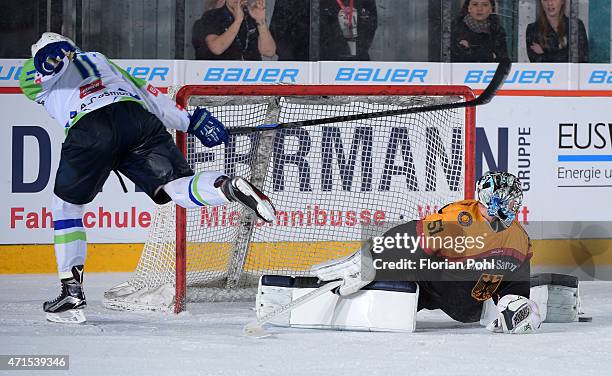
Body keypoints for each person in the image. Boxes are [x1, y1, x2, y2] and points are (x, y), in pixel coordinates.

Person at [19, 32, 277, 324]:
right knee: (174, 187)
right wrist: (190, 121)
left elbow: (38, 68)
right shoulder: (102, 61)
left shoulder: (36, 74)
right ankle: (226, 187)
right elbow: (150, 97)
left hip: (90, 129)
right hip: (137, 119)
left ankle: (71, 293)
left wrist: (54, 53)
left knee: (65, 206)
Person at [308, 171, 542, 333]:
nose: (515, 206)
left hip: (467, 306)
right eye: (511, 201)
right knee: (395, 278)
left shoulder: (520, 239)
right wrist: (372, 258)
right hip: (429, 285)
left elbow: (516, 287)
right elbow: (412, 235)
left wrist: (515, 306)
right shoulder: (459, 221)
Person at [192, 0, 276, 60]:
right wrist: (238, 20)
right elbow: (217, 48)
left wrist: (260, 21)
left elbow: (269, 52)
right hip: (222, 77)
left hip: (250, 76)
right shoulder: (212, 15)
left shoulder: (252, 16)